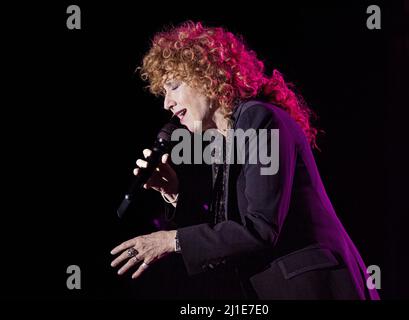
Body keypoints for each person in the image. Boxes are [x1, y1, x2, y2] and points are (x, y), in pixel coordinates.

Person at [110, 21, 380, 300]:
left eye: (173, 86)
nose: (166, 103)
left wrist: (169, 241)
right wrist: (175, 193)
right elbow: (227, 228)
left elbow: (261, 228)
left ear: (207, 75)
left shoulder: (259, 118)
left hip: (315, 287)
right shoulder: (224, 141)